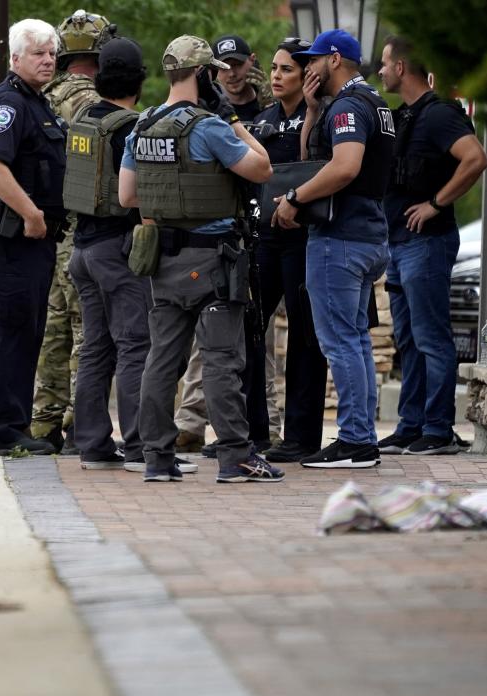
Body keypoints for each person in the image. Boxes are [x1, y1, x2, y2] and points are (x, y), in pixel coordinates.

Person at [120, 35, 283, 484]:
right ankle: (235, 457)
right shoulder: (209, 127)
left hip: (163, 262)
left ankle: (156, 456)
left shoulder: (143, 125)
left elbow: (127, 195)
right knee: (220, 360)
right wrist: (232, 119)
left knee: (161, 361)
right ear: (203, 74)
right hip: (211, 260)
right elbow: (263, 167)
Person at [273, 29, 396, 469]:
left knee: (341, 342)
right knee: (356, 341)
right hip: (366, 234)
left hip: (341, 237)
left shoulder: (347, 106)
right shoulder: (371, 103)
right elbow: (314, 156)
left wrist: (292, 199)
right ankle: (360, 437)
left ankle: (357, 441)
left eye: (314, 59)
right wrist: (310, 111)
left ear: (336, 58)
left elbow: (343, 167)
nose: (308, 67)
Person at [377, 34, 487, 455]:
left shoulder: (441, 114)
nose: (382, 70)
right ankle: (412, 426)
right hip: (399, 243)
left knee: (431, 337)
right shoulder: (405, 116)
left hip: (427, 243)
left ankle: (438, 430)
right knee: (408, 338)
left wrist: (436, 203)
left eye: (386, 64)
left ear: (402, 67)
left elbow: (476, 158)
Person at [0, 18, 70, 456]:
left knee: (27, 330)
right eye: (38, 53)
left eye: (51, 53)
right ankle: (4, 432)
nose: (48, 60)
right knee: (9, 331)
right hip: (12, 241)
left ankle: (15, 426)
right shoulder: (9, 104)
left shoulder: (38, 103)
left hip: (35, 243)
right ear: (15, 58)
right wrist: (31, 213)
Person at [62, 36, 151, 472]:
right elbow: (139, 195)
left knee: (96, 348)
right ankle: (139, 447)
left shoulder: (84, 118)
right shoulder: (131, 126)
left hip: (81, 250)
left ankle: (93, 445)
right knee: (135, 345)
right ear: (139, 81)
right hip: (117, 249)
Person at [30, 9, 112, 453]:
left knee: (54, 327)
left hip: (52, 228)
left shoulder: (44, 93)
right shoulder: (91, 102)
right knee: (87, 330)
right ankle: (81, 421)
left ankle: (43, 418)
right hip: (83, 226)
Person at [252, 38, 330, 464]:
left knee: (304, 335)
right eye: (275, 68)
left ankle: (301, 436)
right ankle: (253, 431)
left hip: (303, 238)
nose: (277, 76)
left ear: (306, 77)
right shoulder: (261, 121)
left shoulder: (318, 117)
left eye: (286, 69)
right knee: (249, 327)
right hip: (265, 236)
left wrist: (314, 109)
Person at [211, 33, 274, 123]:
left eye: (237, 64)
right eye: (223, 68)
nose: (232, 74)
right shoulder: (211, 110)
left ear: (252, 60)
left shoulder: (275, 103)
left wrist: (270, 106)